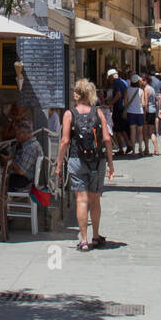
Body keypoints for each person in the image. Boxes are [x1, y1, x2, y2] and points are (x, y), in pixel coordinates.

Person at [57, 79, 114, 251]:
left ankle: (83, 240)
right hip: (97, 161)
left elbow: (65, 141)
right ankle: (95, 236)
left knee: (81, 200)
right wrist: (110, 163)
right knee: (95, 200)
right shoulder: (98, 112)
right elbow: (106, 139)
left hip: (76, 160)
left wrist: (59, 164)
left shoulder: (69, 114)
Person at [4, 118, 41, 192]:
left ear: (23, 133)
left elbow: (21, 171)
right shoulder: (30, 144)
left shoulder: (30, 147)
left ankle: (2, 200)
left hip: (25, 180)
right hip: (25, 177)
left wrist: (10, 163)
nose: (16, 137)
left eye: (17, 134)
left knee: (1, 180)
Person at [105, 68, 129, 155]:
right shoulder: (124, 82)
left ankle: (121, 149)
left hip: (118, 108)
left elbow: (118, 94)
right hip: (123, 107)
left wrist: (111, 102)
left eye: (109, 78)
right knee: (122, 128)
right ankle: (128, 144)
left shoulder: (116, 83)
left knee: (117, 129)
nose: (109, 80)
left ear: (112, 77)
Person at [125, 74, 145, 155]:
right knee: (140, 132)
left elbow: (125, 102)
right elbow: (143, 103)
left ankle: (133, 150)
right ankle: (140, 148)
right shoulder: (141, 91)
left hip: (130, 112)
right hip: (139, 112)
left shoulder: (127, 90)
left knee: (132, 131)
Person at [141, 78, 159, 155]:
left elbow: (146, 103)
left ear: (145, 81)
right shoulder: (152, 89)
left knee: (145, 131)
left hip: (148, 111)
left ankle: (147, 149)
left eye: (142, 81)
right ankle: (156, 149)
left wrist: (144, 115)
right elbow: (156, 99)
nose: (141, 82)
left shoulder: (146, 89)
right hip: (153, 110)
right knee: (151, 131)